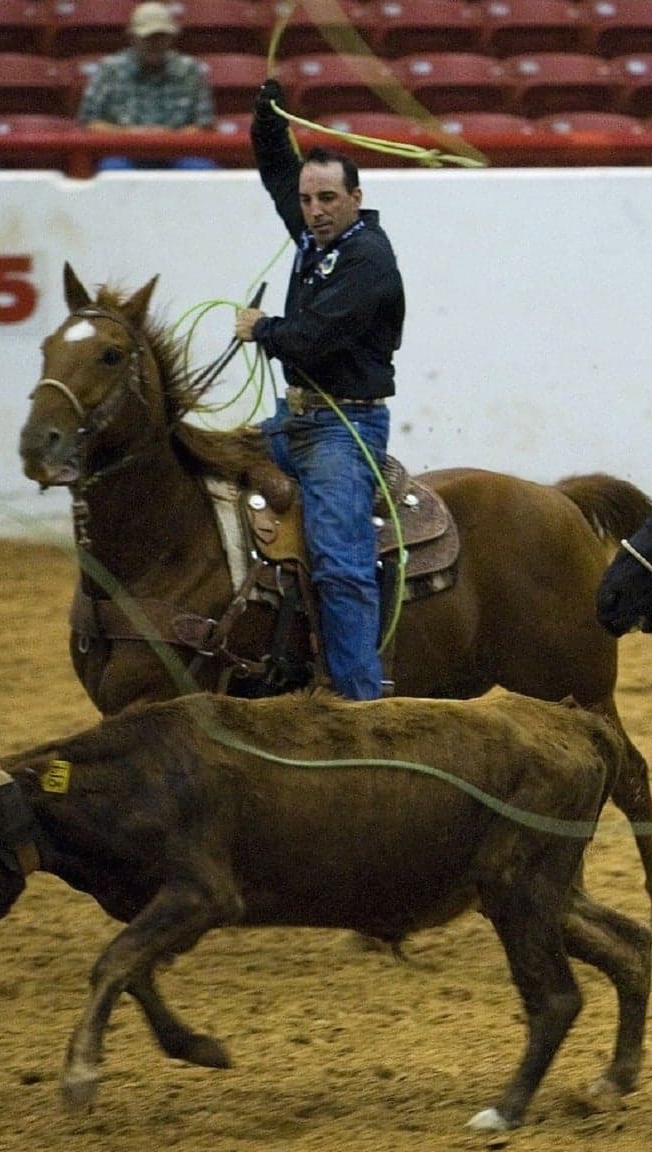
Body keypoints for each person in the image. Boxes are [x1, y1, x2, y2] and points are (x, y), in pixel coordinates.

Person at [234, 77, 405, 702]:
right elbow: (277, 170)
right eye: (308, 200)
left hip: (345, 428)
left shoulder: (369, 263)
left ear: (356, 198)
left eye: (328, 198)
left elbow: (313, 339)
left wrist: (261, 328)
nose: (314, 210)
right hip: (299, 419)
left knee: (341, 565)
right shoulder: (318, 237)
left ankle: (361, 703)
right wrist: (264, 120)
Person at [75, 0, 217, 171]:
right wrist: (131, 135)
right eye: (148, 37)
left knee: (201, 170)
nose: (155, 43)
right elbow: (88, 122)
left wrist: (170, 138)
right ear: (132, 38)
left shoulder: (189, 70)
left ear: (171, 37)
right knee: (113, 170)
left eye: (161, 37)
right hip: (123, 151)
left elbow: (205, 125)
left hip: (179, 152)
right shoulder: (110, 70)